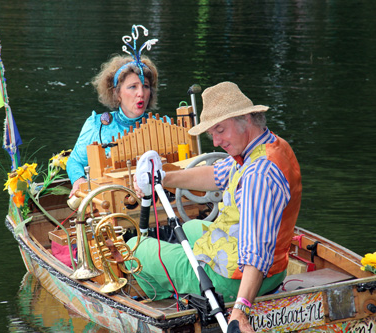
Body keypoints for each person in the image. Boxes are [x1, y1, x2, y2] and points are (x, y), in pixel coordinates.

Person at [128, 81, 302, 332]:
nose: (216, 142)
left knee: (136, 249)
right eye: (212, 133)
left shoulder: (258, 176)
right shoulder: (269, 145)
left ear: (245, 119)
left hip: (238, 280)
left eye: (220, 130)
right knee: (191, 228)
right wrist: (164, 177)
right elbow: (218, 174)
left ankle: (160, 286)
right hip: (274, 267)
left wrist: (240, 311)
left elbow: (256, 252)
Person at [67, 25, 163, 196]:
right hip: (109, 198)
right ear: (117, 93)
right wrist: (79, 180)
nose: (141, 93)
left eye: (145, 87)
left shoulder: (163, 127)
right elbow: (74, 161)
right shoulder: (97, 125)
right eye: (132, 87)